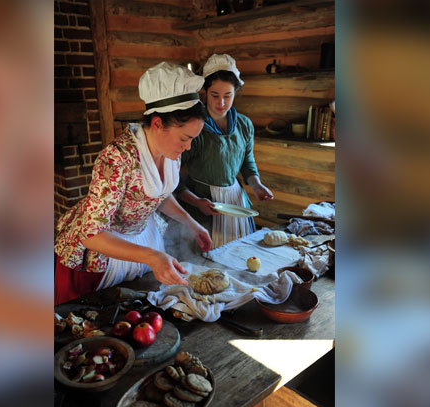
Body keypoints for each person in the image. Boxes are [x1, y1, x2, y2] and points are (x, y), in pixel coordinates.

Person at [54, 62, 212, 305]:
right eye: (185, 138)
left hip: (141, 239)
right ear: (158, 124)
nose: (188, 147)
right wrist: (152, 257)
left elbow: (158, 194)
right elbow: (91, 234)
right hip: (104, 252)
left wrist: (191, 224)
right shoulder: (117, 158)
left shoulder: (170, 151)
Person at [176, 54, 273, 248]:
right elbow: (174, 178)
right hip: (204, 206)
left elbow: (247, 163)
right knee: (208, 263)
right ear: (205, 92)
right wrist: (196, 202)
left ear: (236, 93)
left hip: (236, 204)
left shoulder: (244, 125)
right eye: (215, 95)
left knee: (238, 253)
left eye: (227, 96)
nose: (221, 103)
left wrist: (256, 186)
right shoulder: (195, 128)